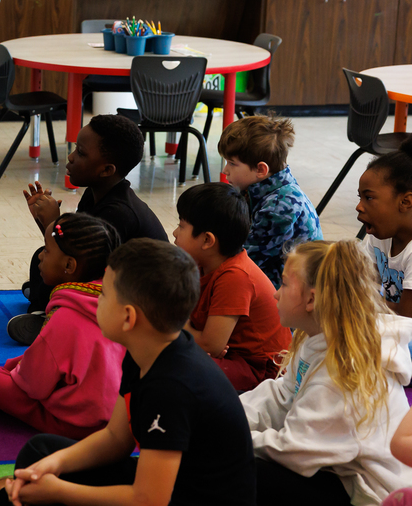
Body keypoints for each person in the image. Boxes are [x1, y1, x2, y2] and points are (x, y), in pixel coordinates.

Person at [0, 239, 256, 506]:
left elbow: (149, 500)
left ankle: (20, 495)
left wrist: (58, 491)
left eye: (103, 294)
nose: (96, 298)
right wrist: (53, 465)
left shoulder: (171, 387)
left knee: (40, 490)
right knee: (39, 453)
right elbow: (116, 438)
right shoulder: (145, 351)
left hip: (180, 497)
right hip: (169, 486)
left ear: (129, 317)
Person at [240, 240, 412, 506]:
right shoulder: (320, 337)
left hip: (368, 493)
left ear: (311, 299)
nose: (276, 293)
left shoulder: (343, 372)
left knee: (247, 469)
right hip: (338, 467)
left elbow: (294, 450)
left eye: (284, 284)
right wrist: (228, 412)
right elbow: (284, 395)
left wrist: (228, 432)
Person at [0, 213, 123, 439]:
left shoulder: (65, 317)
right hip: (121, 421)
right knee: (31, 361)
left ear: (69, 265)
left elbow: (33, 387)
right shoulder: (118, 304)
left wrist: (11, 373)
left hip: (75, 426)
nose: (40, 256)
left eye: (47, 250)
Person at [12, 114, 167, 345]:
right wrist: (46, 224)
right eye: (75, 148)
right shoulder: (95, 193)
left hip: (138, 300)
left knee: (57, 268)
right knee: (41, 259)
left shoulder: (119, 212)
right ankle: (44, 305)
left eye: (81, 153)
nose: (71, 157)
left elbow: (79, 263)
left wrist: (52, 223)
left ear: (106, 170)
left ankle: (50, 318)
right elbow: (73, 250)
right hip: (104, 276)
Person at [173, 183, 292, 392]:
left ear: (207, 240)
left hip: (260, 372)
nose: (174, 233)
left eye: (181, 226)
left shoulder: (235, 276)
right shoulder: (204, 263)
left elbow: (210, 345)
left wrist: (181, 326)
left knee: (174, 365)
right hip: (234, 357)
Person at [218, 115, 322, 289]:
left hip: (296, 289)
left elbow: (246, 261)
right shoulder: (263, 187)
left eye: (231, 163)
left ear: (261, 169)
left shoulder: (278, 208)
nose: (225, 170)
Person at [356, 137, 412, 316]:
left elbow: (406, 318)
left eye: (369, 197)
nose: (359, 206)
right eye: (360, 197)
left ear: (405, 201)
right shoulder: (379, 237)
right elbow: (362, 285)